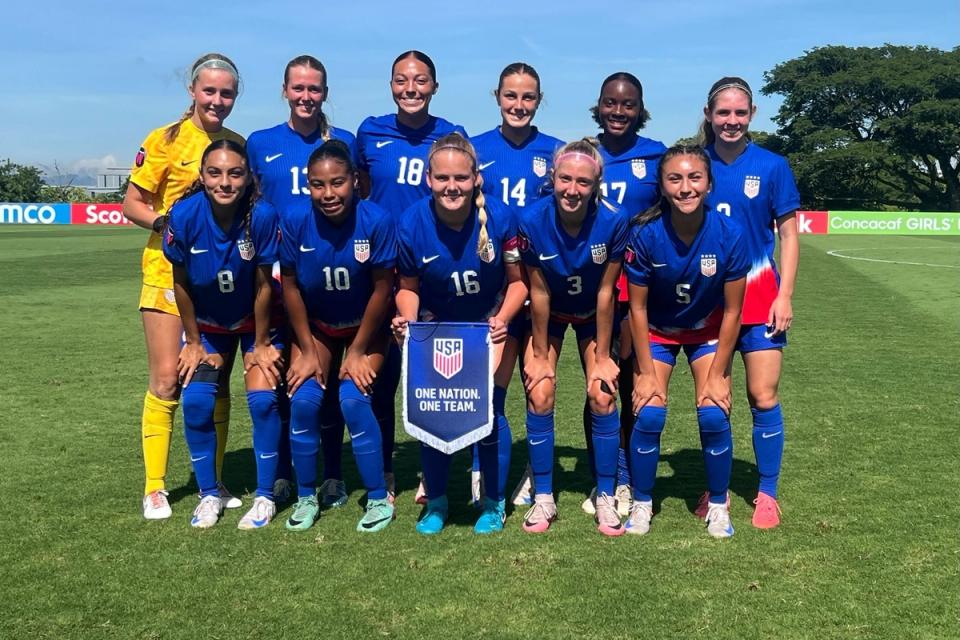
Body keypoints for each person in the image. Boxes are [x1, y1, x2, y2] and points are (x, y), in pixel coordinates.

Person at [123, 53, 245, 520]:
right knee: (167, 378)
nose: (217, 100)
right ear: (193, 91)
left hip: (219, 280)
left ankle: (211, 483)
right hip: (166, 274)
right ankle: (155, 487)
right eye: (209, 91)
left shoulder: (237, 143)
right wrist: (168, 225)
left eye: (226, 93)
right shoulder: (165, 140)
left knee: (214, 382)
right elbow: (132, 203)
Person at [391, 133, 527, 535]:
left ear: (476, 180)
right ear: (428, 180)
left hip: (491, 326)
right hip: (438, 327)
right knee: (434, 410)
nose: (452, 187)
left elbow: (519, 283)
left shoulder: (501, 218)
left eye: (461, 178)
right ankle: (436, 502)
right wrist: (409, 323)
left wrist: (502, 318)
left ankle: (493, 502)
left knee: (489, 409)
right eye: (443, 178)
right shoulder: (412, 222)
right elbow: (408, 288)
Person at [247, 55, 361, 509]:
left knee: (326, 384)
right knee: (279, 381)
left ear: (325, 93)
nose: (306, 96)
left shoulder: (345, 142)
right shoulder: (260, 143)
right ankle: (279, 476)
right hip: (275, 282)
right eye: (298, 88)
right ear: (285, 91)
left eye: (315, 89)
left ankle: (331, 475)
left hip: (328, 280)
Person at [357, 51, 468, 502]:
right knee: (384, 378)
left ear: (435, 86)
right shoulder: (369, 132)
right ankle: (384, 468)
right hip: (384, 271)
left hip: (433, 271)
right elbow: (361, 191)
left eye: (421, 80)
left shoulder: (451, 135)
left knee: (434, 379)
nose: (411, 88)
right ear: (390, 85)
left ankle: (436, 473)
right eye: (402, 80)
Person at [623, 144, 749, 538]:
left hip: (708, 332)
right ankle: (642, 504)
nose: (685, 187)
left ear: (709, 183)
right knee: (649, 411)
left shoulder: (730, 233)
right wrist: (644, 372)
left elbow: (732, 312)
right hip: (658, 331)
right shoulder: (645, 233)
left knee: (713, 411)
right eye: (675, 178)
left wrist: (718, 372)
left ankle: (717, 504)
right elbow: (637, 310)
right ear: (662, 186)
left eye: (694, 177)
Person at [162, 139, 284, 529]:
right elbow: (180, 283)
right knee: (196, 403)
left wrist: (262, 344)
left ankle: (265, 496)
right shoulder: (183, 216)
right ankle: (209, 494)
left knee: (263, 401)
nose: (225, 182)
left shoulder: (262, 216)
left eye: (235, 173)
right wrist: (194, 342)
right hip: (210, 327)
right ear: (202, 175)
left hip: (258, 323)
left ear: (248, 178)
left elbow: (266, 284)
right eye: (215, 173)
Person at [279, 140, 396, 533]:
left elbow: (383, 289)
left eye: (338, 183)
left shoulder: (377, 220)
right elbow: (291, 287)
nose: (328, 194)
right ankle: (307, 495)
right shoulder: (295, 221)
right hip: (319, 328)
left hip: (368, 328)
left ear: (355, 182)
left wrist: (359, 350)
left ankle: (378, 498)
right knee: (305, 400)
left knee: (353, 399)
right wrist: (308, 349)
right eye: (318, 185)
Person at [699, 77, 800, 529]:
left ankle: (767, 492)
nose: (732, 121)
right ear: (709, 114)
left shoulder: (773, 166)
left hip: (761, 298)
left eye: (740, 113)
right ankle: (716, 488)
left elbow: (789, 234)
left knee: (762, 394)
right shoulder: (693, 164)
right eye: (724, 113)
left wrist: (785, 295)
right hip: (708, 304)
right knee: (713, 400)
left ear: (752, 115)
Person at [518, 139, 629, 536]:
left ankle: (605, 495)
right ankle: (544, 497)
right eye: (566, 178)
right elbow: (539, 292)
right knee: (540, 389)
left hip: (592, 314)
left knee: (602, 391)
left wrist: (601, 354)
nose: (573, 189)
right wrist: (541, 352)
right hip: (549, 312)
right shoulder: (531, 220)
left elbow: (606, 292)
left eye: (584, 181)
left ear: (597, 183)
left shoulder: (615, 221)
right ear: (553, 177)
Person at [471, 62, 564, 507]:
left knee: (538, 384)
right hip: (497, 287)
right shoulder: (476, 149)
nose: (519, 105)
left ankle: (534, 471)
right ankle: (480, 467)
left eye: (528, 97)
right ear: (497, 97)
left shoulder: (557, 151)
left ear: (538, 101)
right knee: (492, 386)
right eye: (511, 96)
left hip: (544, 286)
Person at [583, 72, 667, 518]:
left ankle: (629, 477)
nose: (619, 111)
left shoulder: (656, 156)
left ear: (640, 108)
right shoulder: (584, 152)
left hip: (639, 289)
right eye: (611, 103)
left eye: (628, 104)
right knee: (600, 382)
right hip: (593, 287)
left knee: (635, 380)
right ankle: (604, 481)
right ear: (599, 106)